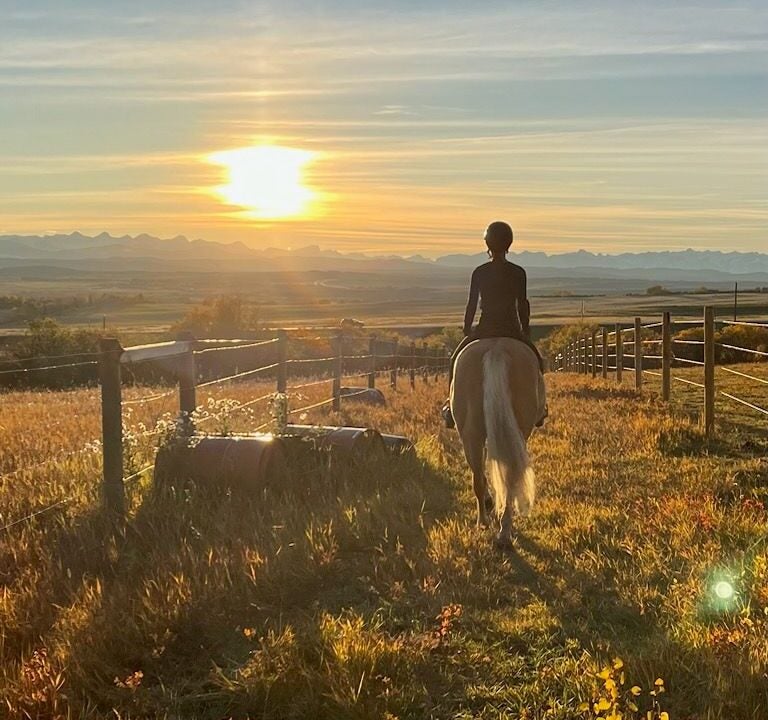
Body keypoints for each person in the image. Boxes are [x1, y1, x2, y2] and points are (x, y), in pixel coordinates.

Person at [442, 221, 546, 429]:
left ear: (487, 244)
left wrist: (467, 328)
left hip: (485, 328)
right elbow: (522, 304)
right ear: (509, 244)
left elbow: (471, 303)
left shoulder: (479, 272)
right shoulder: (518, 272)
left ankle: (450, 406)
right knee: (538, 363)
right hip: (511, 330)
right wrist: (525, 332)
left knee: (454, 362)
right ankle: (541, 407)